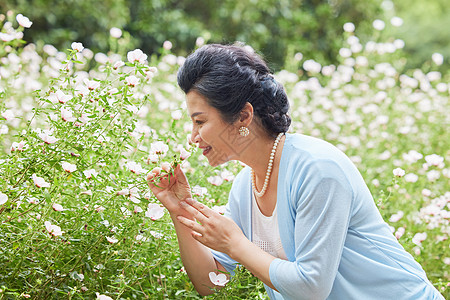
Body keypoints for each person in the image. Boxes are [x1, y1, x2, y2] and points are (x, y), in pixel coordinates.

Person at [147, 44, 444, 299]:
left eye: (200, 122)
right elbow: (211, 284)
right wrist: (179, 210)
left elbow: (312, 288)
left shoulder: (317, 169)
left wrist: (235, 244)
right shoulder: (245, 185)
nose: (192, 136)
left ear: (243, 116)